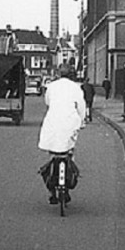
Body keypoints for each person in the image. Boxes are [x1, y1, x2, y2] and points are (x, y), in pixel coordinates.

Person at [37, 63, 85, 203]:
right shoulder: (76, 87)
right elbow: (81, 106)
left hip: (54, 121)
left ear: (58, 73)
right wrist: (82, 121)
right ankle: (68, 183)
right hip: (70, 122)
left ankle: (52, 191)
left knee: (54, 151)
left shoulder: (52, 86)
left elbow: (47, 101)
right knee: (69, 150)